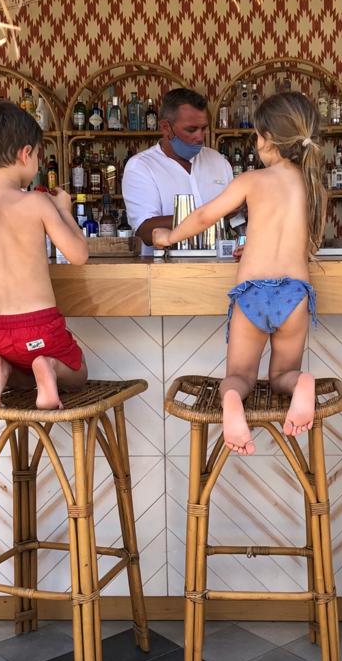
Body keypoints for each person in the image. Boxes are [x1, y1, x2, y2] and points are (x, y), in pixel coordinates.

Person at [152, 92, 326, 455]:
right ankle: (303, 384)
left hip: (251, 293)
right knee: (282, 378)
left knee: (240, 377)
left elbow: (203, 217)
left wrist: (168, 237)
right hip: (295, 293)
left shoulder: (252, 180)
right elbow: (304, 242)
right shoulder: (313, 185)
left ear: (266, 139)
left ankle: (232, 402)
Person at [0, 100, 89, 409]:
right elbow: (79, 255)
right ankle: (49, 366)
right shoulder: (35, 203)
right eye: (37, 157)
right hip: (39, 326)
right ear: (25, 153)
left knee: (18, 370)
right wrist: (64, 211)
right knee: (78, 374)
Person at [123, 88, 233, 255]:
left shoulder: (218, 161)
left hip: (219, 266)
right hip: (167, 271)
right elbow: (144, 230)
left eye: (203, 128)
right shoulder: (141, 167)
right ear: (166, 127)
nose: (200, 137)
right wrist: (211, 214)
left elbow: (235, 221)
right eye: (191, 129)